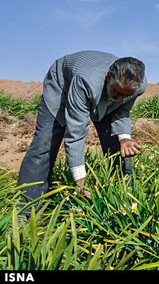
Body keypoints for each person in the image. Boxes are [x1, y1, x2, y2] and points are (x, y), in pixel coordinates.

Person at [17, 50, 147, 215]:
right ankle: (25, 211)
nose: (122, 99)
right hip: (62, 86)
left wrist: (124, 138)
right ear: (108, 76)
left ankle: (124, 206)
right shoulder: (86, 81)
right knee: (44, 145)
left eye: (126, 96)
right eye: (118, 93)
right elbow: (75, 135)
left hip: (102, 94)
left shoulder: (135, 86)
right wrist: (80, 182)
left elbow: (122, 110)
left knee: (119, 150)